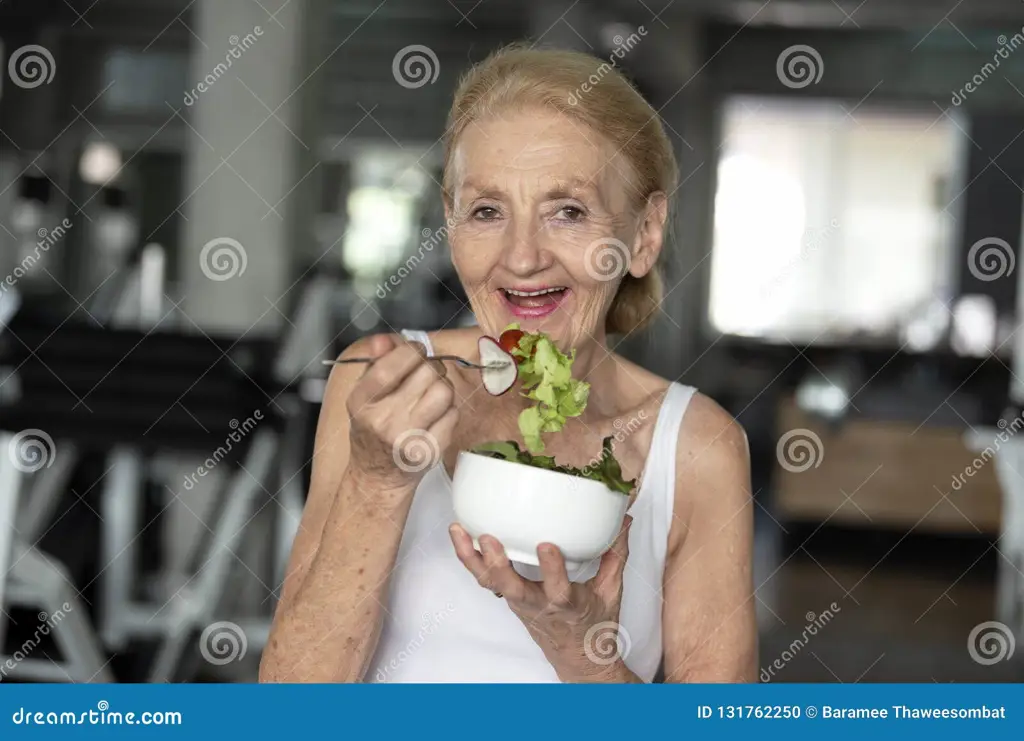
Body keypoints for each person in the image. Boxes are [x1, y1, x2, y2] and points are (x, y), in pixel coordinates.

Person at [260, 44, 756, 683]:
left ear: (644, 235)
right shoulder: (377, 385)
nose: (521, 258)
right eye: (487, 211)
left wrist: (578, 645)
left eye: (567, 212)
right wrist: (377, 481)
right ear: (451, 221)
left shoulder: (698, 446)